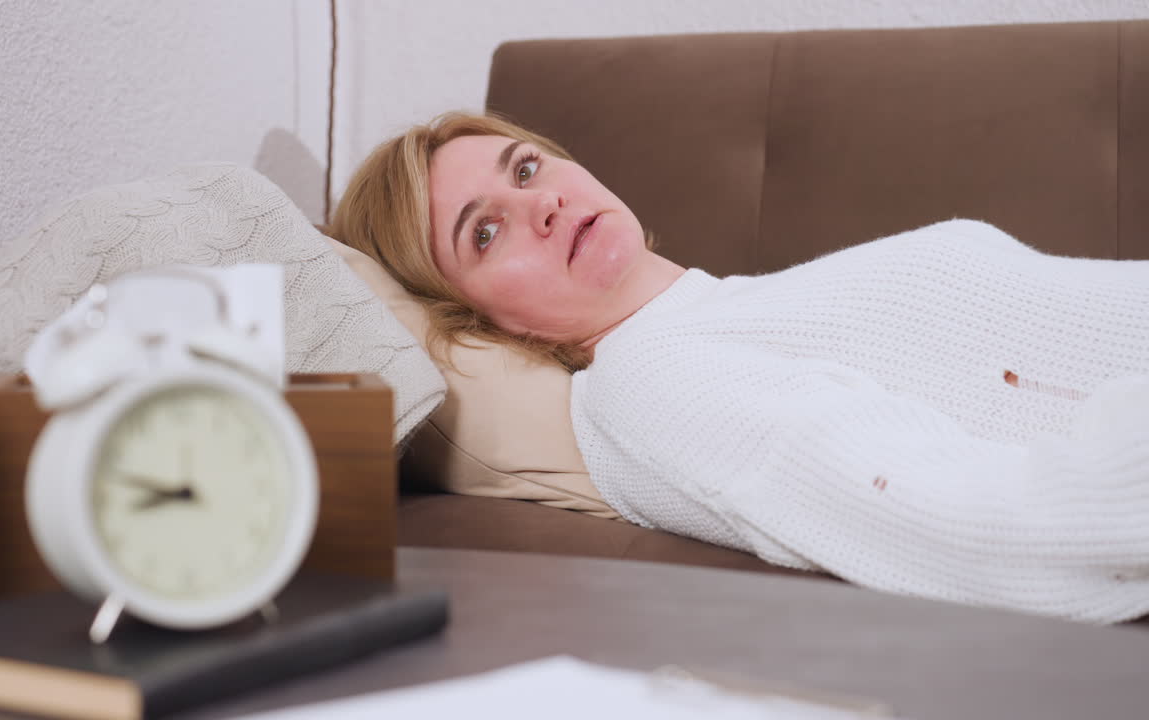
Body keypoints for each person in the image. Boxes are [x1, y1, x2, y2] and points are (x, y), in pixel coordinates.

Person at [329, 111, 1149, 624]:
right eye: (484, 231)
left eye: (526, 167)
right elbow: (982, 521)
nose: (537, 203)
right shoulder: (650, 383)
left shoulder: (723, 313)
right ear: (472, 320)